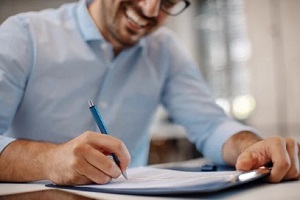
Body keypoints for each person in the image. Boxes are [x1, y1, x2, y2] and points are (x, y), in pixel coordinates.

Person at [0, 0, 299, 186]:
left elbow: (210, 125)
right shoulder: (24, 36)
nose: (150, 9)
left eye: (168, 2)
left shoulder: (165, 50)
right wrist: (51, 160)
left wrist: (253, 147)